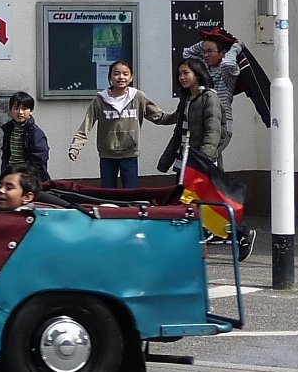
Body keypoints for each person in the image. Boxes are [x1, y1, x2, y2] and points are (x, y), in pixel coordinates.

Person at [157, 58, 255, 260]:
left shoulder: (209, 98)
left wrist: (204, 160)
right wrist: (166, 160)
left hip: (199, 163)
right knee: (187, 205)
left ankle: (242, 234)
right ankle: (191, 246)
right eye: (180, 74)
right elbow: (178, 132)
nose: (182, 77)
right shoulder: (186, 99)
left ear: (198, 74)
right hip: (184, 162)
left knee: (207, 206)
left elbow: (213, 130)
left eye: (186, 73)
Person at [67, 61, 167, 189]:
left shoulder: (138, 97)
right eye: (116, 74)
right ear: (110, 77)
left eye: (125, 74)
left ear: (131, 78)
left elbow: (159, 116)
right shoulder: (100, 100)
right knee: (108, 192)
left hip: (130, 154)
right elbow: (86, 125)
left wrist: (180, 115)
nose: (121, 77)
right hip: (107, 155)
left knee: (131, 193)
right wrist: (75, 148)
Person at [183, 28, 242, 167]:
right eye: (204, 52)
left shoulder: (227, 73)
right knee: (213, 165)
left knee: (207, 160)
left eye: (210, 52)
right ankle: (219, 189)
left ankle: (218, 188)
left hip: (222, 125)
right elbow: (187, 53)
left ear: (222, 53)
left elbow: (227, 63)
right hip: (205, 123)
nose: (205, 55)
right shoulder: (204, 69)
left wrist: (235, 47)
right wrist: (206, 41)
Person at [0, 91, 50, 182]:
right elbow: (6, 155)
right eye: (16, 108)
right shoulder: (9, 129)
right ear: (10, 109)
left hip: (28, 178)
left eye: (24, 108)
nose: (20, 112)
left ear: (31, 110)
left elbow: (39, 160)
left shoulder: (35, 133)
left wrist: (25, 176)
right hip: (10, 175)